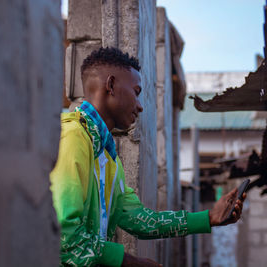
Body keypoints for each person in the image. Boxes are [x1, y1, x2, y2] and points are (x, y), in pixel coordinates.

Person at [50, 47, 246, 267]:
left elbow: (142, 221)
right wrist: (129, 262)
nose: (141, 106)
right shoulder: (73, 137)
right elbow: (62, 236)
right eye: (136, 91)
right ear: (111, 85)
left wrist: (209, 218)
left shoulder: (107, 155)